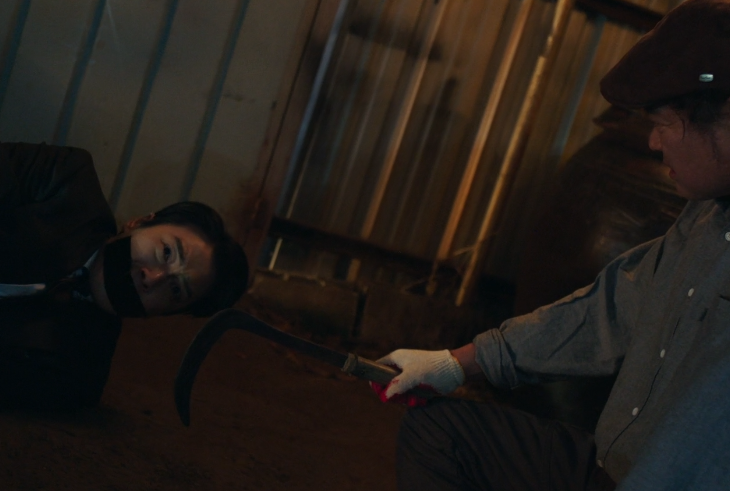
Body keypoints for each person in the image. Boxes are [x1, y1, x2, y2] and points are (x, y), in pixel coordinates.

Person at [371, 0, 730, 489]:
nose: (653, 142)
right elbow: (612, 309)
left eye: (664, 124)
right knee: (441, 434)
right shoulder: (705, 217)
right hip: (614, 467)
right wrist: (457, 363)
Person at [0, 141, 249, 410]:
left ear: (162, 314)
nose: (153, 278)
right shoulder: (63, 177)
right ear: (139, 222)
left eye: (176, 290)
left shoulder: (79, 371)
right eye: (166, 252)